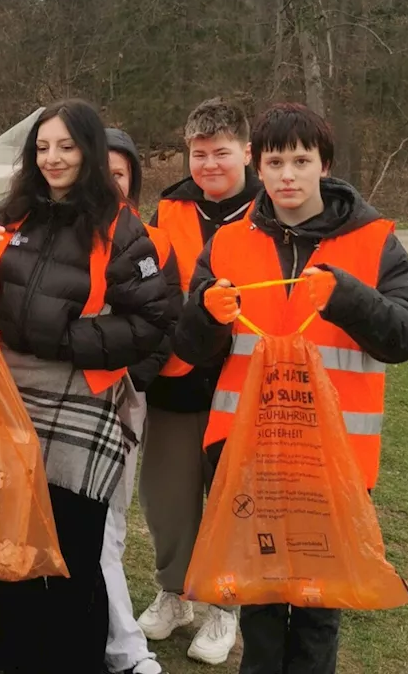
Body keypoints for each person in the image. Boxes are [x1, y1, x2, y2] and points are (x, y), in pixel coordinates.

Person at [172, 102, 408, 674]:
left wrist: (349, 298)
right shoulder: (230, 244)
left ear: (324, 166)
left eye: (301, 160)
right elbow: (189, 349)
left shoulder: (374, 241)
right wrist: (206, 316)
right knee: (260, 606)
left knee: (317, 612)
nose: (288, 174)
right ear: (257, 168)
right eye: (275, 161)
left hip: (333, 462)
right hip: (248, 455)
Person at [0, 100, 175, 673]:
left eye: (66, 147)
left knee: (73, 556)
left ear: (90, 152)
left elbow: (154, 320)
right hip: (8, 392)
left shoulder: (122, 228)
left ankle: (75, 661)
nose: (52, 158)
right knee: (9, 547)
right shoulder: (10, 214)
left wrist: (71, 338)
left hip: (82, 400)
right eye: (43, 147)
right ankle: (16, 661)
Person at [136, 97, 265, 665]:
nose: (209, 164)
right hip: (177, 372)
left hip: (243, 377)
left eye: (221, 153)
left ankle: (224, 604)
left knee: (232, 498)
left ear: (247, 152)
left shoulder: (270, 208)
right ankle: (175, 590)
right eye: (198, 153)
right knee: (168, 496)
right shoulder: (171, 209)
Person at [101, 127, 172, 674]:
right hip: (54, 400)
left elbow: (164, 323)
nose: (108, 181)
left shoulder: (153, 242)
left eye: (119, 173)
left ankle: (124, 646)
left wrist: (134, 378)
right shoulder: (47, 233)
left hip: (121, 398)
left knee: (110, 523)